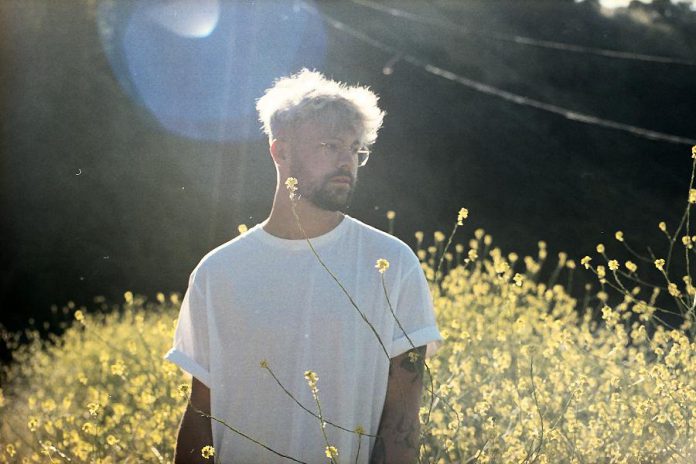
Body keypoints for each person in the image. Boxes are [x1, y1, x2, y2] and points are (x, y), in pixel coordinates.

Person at [165, 69, 442, 464]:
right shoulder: (218, 272)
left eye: (354, 148)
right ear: (279, 152)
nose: (347, 160)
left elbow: (402, 420)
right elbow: (200, 415)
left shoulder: (394, 265)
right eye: (329, 146)